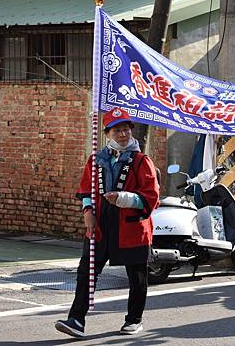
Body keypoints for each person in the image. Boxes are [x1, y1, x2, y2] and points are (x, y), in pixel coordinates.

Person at [55, 107, 160, 338]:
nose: (122, 135)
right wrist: (87, 212)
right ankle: (76, 320)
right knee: (86, 271)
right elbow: (85, 190)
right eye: (117, 130)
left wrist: (123, 198)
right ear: (108, 134)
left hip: (132, 225)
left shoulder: (142, 161)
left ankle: (134, 319)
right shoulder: (96, 159)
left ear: (131, 132)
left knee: (137, 275)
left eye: (126, 130)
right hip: (100, 224)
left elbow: (152, 196)